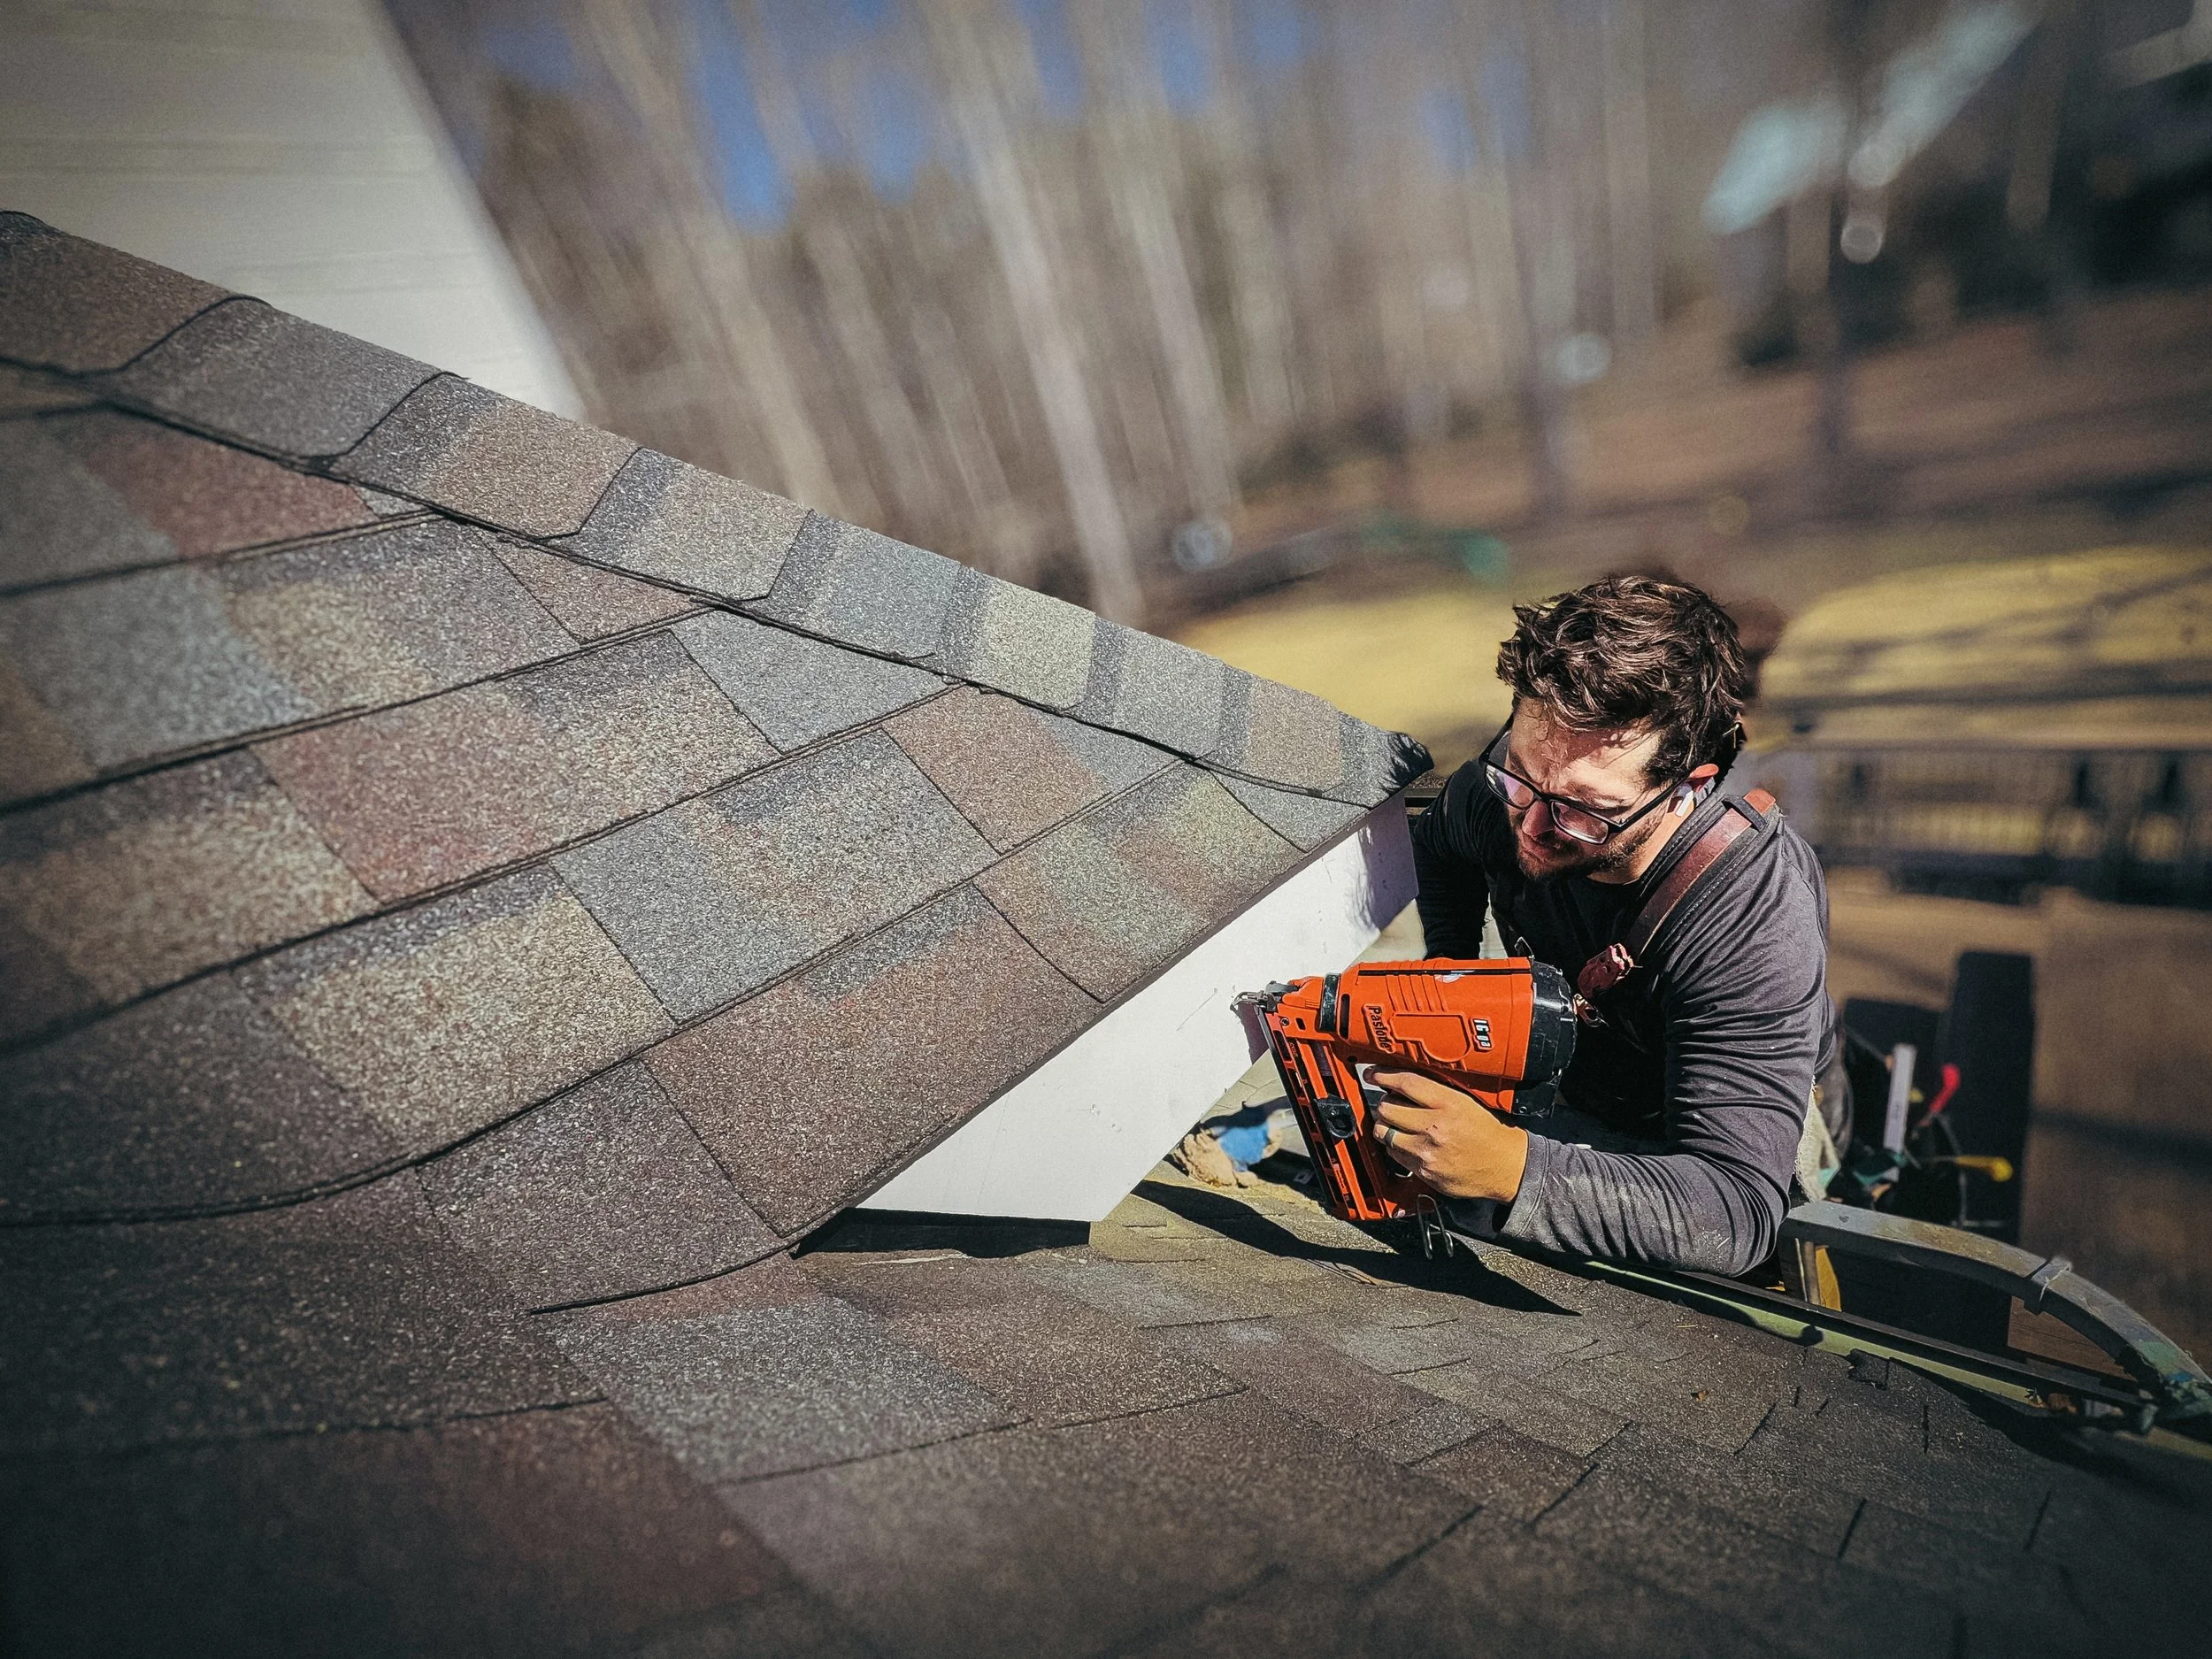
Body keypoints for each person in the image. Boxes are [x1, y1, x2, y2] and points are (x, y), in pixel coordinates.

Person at [1376, 573, 1844, 1277]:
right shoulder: (1509, 793)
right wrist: (1453, 974)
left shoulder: (1752, 917)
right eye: (1521, 774)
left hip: (1719, 1137)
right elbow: (1441, 844)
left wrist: (1509, 1166)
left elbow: (1737, 1208)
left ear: (1691, 784)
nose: (1532, 828)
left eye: (1585, 808)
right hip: (1589, 1085)